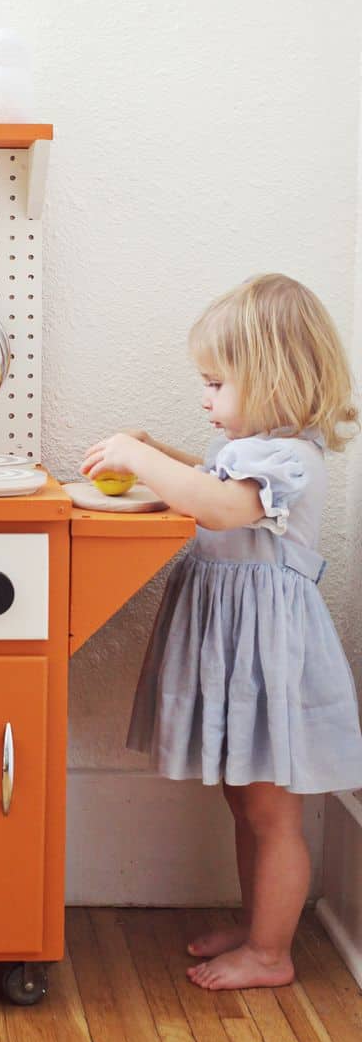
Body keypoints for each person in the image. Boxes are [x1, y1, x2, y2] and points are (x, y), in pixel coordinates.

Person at [80, 273, 362, 991]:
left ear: (270, 377)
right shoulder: (252, 450)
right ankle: (260, 921)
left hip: (268, 656)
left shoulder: (290, 460)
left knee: (271, 811)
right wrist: (157, 449)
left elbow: (221, 507)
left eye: (214, 382)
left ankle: (273, 953)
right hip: (239, 651)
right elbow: (209, 477)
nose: (205, 398)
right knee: (247, 798)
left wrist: (142, 460)